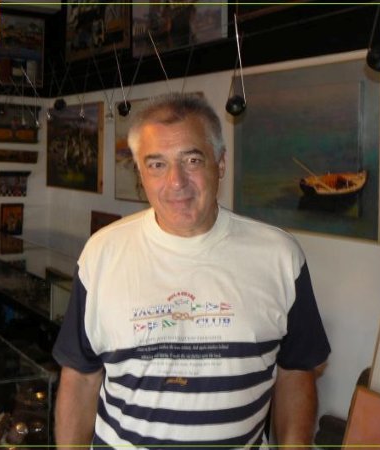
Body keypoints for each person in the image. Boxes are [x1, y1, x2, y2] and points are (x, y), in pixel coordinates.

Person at [52, 93, 331, 449]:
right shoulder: (102, 254)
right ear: (140, 173)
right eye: (157, 164)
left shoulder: (280, 256)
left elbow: (297, 371)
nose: (176, 181)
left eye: (192, 160)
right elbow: (80, 378)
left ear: (220, 164)